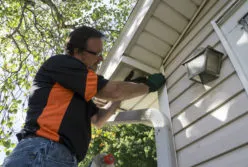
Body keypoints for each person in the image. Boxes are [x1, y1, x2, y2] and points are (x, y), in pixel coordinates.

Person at [3, 26, 165, 167]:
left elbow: (99, 119)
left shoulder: (78, 92)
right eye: (97, 53)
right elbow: (112, 91)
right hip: (43, 150)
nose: (100, 58)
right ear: (77, 52)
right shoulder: (61, 64)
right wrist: (148, 86)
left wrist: (123, 94)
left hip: (57, 155)